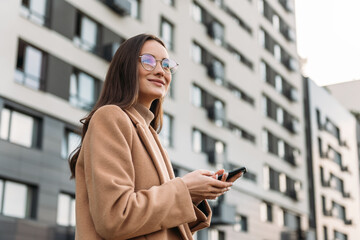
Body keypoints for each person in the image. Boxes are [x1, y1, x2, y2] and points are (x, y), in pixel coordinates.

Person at [69, 33, 241, 240]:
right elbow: (115, 217)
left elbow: (155, 225)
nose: (161, 71)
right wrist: (184, 189)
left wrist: (195, 194)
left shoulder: (150, 133)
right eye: (148, 61)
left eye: (167, 65)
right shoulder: (110, 117)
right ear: (126, 69)